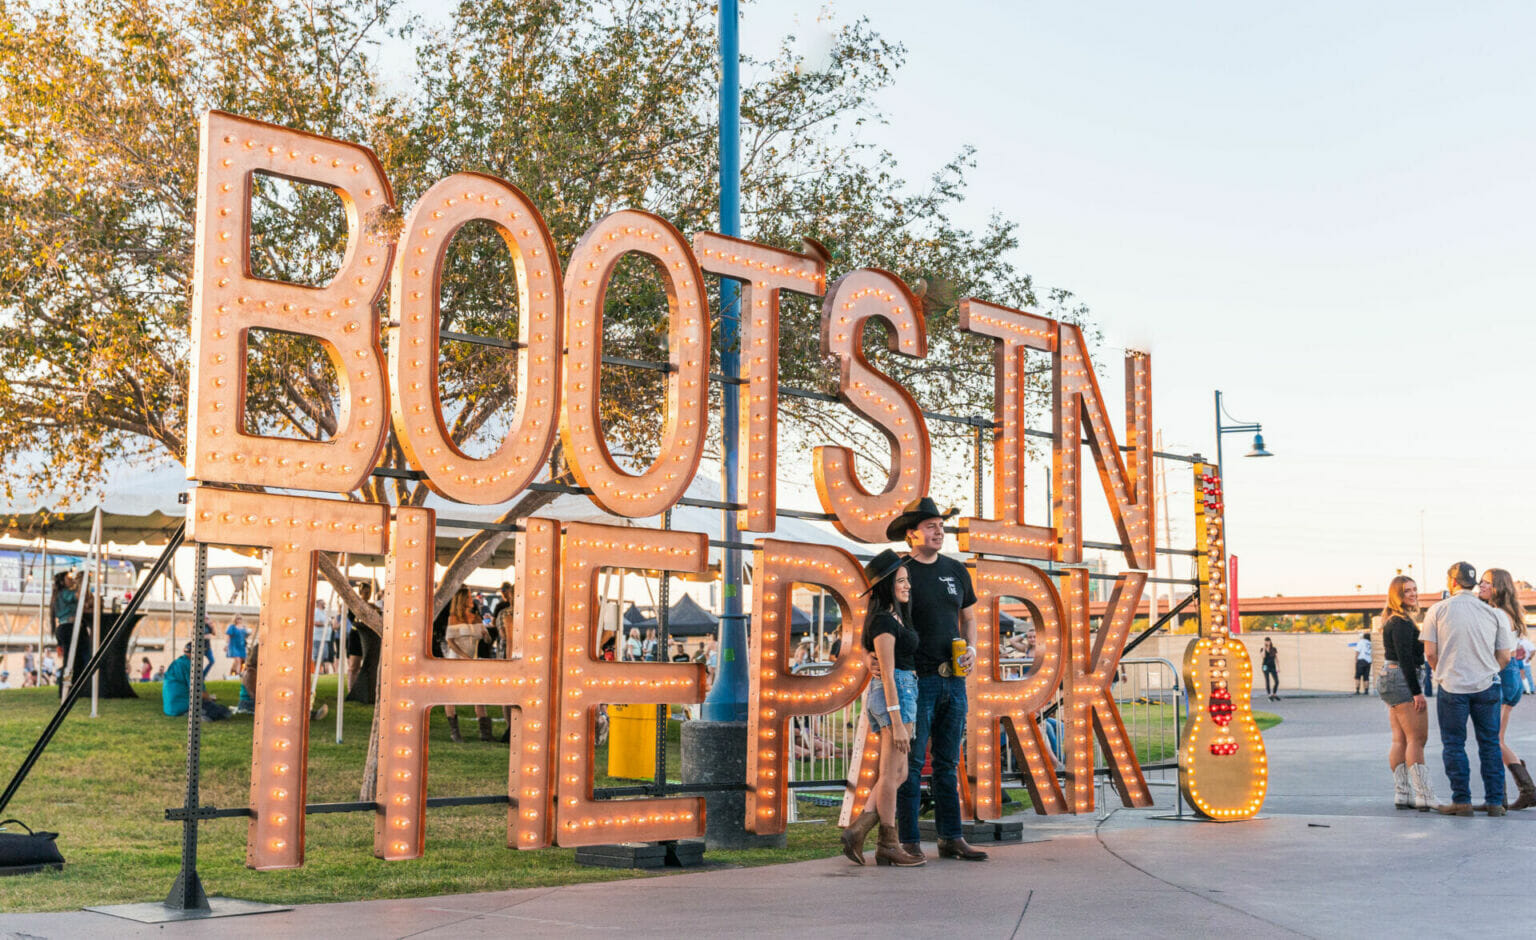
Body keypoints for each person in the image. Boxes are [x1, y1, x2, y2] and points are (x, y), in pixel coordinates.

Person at [888, 496, 987, 862]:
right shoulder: (899, 571)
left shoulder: (956, 570)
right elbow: (881, 616)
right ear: (912, 534)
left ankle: (951, 837)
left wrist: (973, 648)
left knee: (947, 762)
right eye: (931, 527)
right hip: (917, 679)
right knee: (913, 764)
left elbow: (971, 616)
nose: (938, 532)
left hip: (954, 679)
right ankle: (910, 841)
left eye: (941, 527)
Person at [842, 549, 923, 867]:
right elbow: (887, 673)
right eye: (901, 581)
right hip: (895, 694)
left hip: (904, 692)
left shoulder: (895, 616)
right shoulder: (883, 622)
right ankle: (888, 843)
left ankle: (859, 830)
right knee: (891, 774)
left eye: (907, 580)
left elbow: (871, 652)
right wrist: (897, 720)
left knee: (899, 772)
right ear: (887, 585)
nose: (907, 586)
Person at [1421, 561, 1513, 816]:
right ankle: (1495, 802)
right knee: (1490, 744)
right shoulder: (1494, 614)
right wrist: (1486, 670)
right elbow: (1504, 656)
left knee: (1453, 744)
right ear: (1473, 583)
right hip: (1487, 687)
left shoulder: (1437, 610)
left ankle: (1461, 801)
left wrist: (1443, 674)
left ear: (1451, 582)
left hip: (1452, 687)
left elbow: (1430, 652)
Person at [1479, 568, 1536, 810]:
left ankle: (1517, 794)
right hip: (1510, 672)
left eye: (1486, 582)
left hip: (1502, 672)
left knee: (1493, 739)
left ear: (1498, 587)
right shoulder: (1507, 612)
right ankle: (1517, 792)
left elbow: (1491, 647)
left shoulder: (1497, 613)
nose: (1480, 585)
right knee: (1496, 738)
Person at [1378, 576, 1435, 810]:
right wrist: (1417, 692)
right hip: (1402, 678)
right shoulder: (1401, 622)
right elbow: (1406, 658)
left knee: (1399, 738)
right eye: (1407, 591)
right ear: (1396, 595)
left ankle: (1403, 794)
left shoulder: (1393, 619)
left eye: (1414, 589)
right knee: (1417, 739)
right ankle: (1424, 795)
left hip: (1391, 678)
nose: (1413, 594)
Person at [442, 586, 491, 742]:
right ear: (462, 599)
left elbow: (487, 639)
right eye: (469, 597)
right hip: (456, 659)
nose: (472, 599)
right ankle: (454, 731)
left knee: (479, 694)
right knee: (452, 695)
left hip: (472, 659)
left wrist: (486, 636)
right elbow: (450, 641)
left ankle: (485, 732)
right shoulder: (453, 618)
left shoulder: (475, 617)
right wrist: (463, 656)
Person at [162, 642, 232, 721]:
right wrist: (209, 699)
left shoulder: (177, 662)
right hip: (183, 706)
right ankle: (199, 715)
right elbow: (199, 692)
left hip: (170, 707)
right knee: (222, 711)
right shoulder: (191, 666)